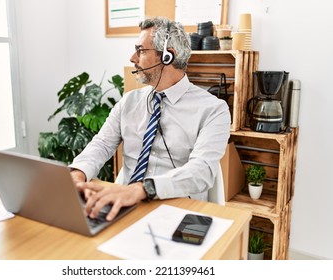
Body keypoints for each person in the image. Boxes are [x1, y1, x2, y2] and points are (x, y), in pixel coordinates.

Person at [70, 17, 230, 221]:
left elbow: (201, 171)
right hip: (124, 207)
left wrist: (142, 189)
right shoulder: (129, 101)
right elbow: (101, 144)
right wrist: (78, 174)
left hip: (177, 210)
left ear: (167, 57)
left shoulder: (214, 110)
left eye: (141, 51)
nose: (132, 58)